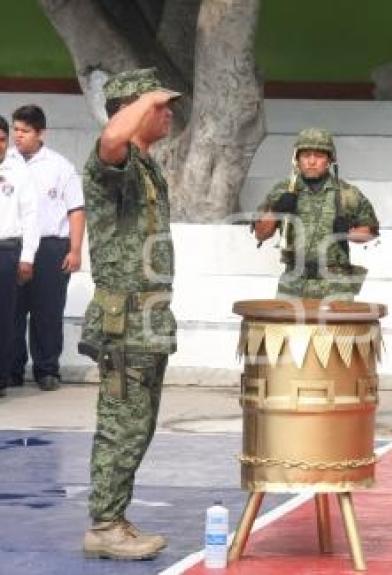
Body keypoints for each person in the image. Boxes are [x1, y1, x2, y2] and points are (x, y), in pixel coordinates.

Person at [79, 68, 181, 559]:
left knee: (137, 425)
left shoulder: (145, 166)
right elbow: (111, 134)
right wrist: (140, 102)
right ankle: (103, 526)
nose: (169, 111)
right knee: (121, 423)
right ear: (135, 109)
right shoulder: (111, 162)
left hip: (149, 320)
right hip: (125, 323)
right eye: (161, 104)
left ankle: (114, 517)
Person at [8, 105, 85, 391]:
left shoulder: (60, 166)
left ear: (41, 133)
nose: (19, 136)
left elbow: (76, 210)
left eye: (25, 131)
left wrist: (74, 250)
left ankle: (46, 369)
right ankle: (11, 369)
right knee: (11, 309)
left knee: (47, 310)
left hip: (51, 245)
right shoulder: (7, 163)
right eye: (15, 130)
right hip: (15, 245)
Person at [253, 128, 379, 300]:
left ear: (329, 159)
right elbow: (261, 233)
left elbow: (370, 232)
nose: (312, 161)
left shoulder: (347, 193)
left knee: (338, 328)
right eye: (306, 155)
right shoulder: (282, 190)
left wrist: (348, 233)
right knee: (286, 327)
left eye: (319, 156)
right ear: (297, 159)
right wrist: (277, 210)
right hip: (294, 281)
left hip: (334, 283)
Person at [0, 116, 38, 398]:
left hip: (7, 250)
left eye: (2, 139)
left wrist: (27, 257)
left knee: (5, 319)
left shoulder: (19, 171)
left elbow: (31, 217)